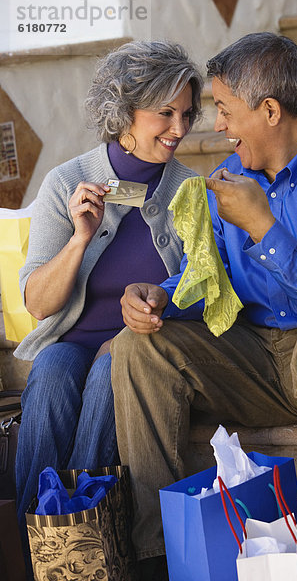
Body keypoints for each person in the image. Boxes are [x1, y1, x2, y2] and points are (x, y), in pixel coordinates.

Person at [110, 32, 297, 580]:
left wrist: (264, 228)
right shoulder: (231, 180)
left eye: (224, 109)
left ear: (269, 111)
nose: (216, 125)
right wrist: (160, 298)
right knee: (139, 346)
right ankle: (159, 554)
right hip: (259, 357)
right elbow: (211, 282)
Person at [14, 39, 202, 579]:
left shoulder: (188, 190)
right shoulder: (66, 182)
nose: (179, 128)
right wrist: (78, 240)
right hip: (70, 342)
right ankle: (38, 557)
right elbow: (36, 304)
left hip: (142, 348)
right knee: (49, 375)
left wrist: (166, 296)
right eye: (164, 113)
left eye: (186, 113)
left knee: (107, 374)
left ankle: (85, 553)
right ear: (123, 113)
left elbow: (201, 285)